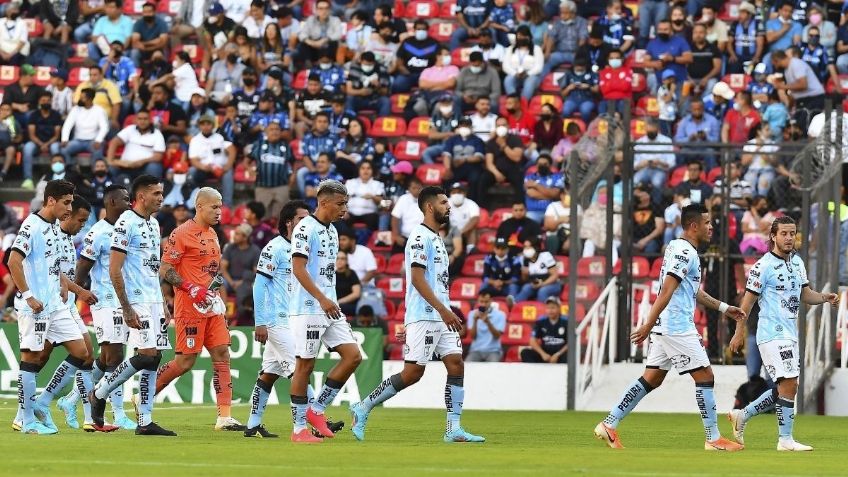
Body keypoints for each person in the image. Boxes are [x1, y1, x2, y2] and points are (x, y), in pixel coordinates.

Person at [594, 204, 746, 451]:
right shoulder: (685, 252)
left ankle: (609, 424)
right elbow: (667, 290)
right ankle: (713, 438)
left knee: (651, 378)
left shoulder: (678, 247)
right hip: (676, 326)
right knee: (705, 376)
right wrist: (647, 324)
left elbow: (692, 290)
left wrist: (723, 308)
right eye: (707, 223)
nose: (711, 227)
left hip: (667, 326)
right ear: (693, 225)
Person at [349, 186, 485, 443]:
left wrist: (447, 309)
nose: (449, 206)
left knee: (456, 363)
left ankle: (453, 428)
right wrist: (445, 311)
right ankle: (363, 406)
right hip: (425, 314)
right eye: (444, 202)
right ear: (430, 207)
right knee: (413, 373)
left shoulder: (437, 238)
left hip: (442, 314)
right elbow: (418, 280)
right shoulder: (420, 237)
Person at [728, 216, 840, 451]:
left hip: (789, 333)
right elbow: (745, 305)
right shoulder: (763, 266)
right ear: (773, 236)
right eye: (784, 234)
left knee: (788, 386)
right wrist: (739, 333)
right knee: (789, 384)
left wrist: (824, 298)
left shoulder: (797, 262)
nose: (789, 238)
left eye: (792, 234)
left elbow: (805, 294)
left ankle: (743, 415)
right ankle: (785, 440)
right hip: (770, 332)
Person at [245, 200, 344, 438]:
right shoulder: (274, 247)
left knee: (269, 372)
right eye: (301, 218)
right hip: (277, 320)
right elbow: (259, 285)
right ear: (289, 222)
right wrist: (260, 321)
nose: (306, 222)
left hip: (294, 317)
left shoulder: (307, 246)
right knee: (299, 370)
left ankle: (252, 424)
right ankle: (317, 420)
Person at [89, 175, 176, 436]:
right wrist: (126, 307)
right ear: (141, 197)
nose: (161, 198)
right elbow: (115, 270)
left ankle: (145, 421)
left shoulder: (154, 224)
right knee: (146, 354)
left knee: (154, 358)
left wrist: (163, 301)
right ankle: (99, 392)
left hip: (153, 300)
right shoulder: (126, 223)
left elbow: (153, 268)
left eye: (162, 193)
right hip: (135, 301)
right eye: (156, 193)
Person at [153, 188, 245, 431]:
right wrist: (191, 288)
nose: (219, 211)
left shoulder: (214, 233)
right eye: (214, 207)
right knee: (185, 362)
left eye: (220, 206)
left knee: (222, 354)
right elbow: (165, 269)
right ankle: (145, 396)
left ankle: (224, 417)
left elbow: (209, 269)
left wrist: (213, 287)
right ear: (200, 206)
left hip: (211, 305)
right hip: (189, 307)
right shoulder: (181, 233)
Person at [7, 180, 92, 435]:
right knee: (31, 358)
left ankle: (44, 402)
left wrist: (64, 284)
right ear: (51, 201)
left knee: (81, 352)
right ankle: (27, 420)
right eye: (66, 202)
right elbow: (13, 261)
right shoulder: (31, 226)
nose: (69, 208)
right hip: (35, 306)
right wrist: (29, 295)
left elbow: (52, 265)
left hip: (55, 304)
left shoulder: (55, 227)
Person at [288, 180, 362, 442]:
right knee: (304, 366)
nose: (345, 209)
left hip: (329, 306)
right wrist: (321, 299)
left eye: (346, 203)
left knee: (353, 356)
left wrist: (329, 300)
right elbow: (299, 269)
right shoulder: (305, 228)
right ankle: (298, 430)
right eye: (341, 203)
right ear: (323, 202)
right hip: (308, 307)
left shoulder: (331, 231)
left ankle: (316, 409)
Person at [60, 185, 135, 430]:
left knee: (105, 359)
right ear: (112, 202)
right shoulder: (99, 232)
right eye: (125, 199)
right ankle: (118, 413)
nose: (130, 202)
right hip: (104, 301)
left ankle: (71, 400)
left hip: (124, 300)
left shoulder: (128, 228)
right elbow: (83, 267)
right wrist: (74, 297)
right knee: (117, 357)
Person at [45, 195, 102, 432]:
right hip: (50, 304)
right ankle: (31, 406)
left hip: (66, 304)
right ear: (67, 215)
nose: (82, 225)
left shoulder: (69, 238)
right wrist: (81, 290)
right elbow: (53, 272)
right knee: (37, 359)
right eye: (80, 220)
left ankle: (86, 415)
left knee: (87, 354)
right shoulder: (53, 236)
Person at [106, 109, 166, 186]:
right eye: (140, 119)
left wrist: (140, 162)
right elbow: (114, 142)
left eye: (145, 119)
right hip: (125, 166)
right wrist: (110, 160)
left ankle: (151, 190)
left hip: (144, 167)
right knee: (111, 167)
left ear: (150, 120)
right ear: (135, 120)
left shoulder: (157, 134)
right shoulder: (130, 129)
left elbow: (158, 156)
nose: (142, 121)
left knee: (154, 167)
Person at [250, 120, 294, 221]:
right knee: (262, 217)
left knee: (283, 217)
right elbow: (247, 160)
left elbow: (293, 162)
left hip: (282, 186)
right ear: (266, 132)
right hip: (262, 187)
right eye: (271, 129)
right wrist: (250, 171)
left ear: (280, 132)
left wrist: (293, 174)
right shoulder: (258, 145)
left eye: (277, 129)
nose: (274, 132)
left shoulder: (286, 146)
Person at [188, 115, 237, 207]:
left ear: (213, 125)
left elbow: (232, 149)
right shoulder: (195, 140)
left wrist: (228, 165)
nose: (206, 126)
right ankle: (192, 202)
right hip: (203, 169)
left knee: (228, 172)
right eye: (203, 124)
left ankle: (227, 205)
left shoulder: (220, 137)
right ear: (199, 126)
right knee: (191, 171)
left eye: (208, 124)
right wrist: (204, 167)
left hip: (220, 168)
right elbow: (193, 160)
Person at [478, 116, 526, 205]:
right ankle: (482, 207)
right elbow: (489, 163)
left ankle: (520, 207)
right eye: (498, 126)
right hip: (496, 170)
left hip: (513, 168)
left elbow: (516, 158)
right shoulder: (491, 142)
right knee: (483, 179)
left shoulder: (515, 139)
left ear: (508, 126)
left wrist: (504, 146)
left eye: (503, 125)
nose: (501, 128)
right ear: (495, 128)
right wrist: (497, 174)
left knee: (519, 179)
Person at [21, 92, 61, 188]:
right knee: (27, 148)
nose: (46, 102)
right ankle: (28, 179)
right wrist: (41, 144)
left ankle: (58, 178)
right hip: (36, 142)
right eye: (43, 100)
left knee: (56, 148)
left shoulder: (56, 115)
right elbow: (31, 135)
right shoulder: (34, 115)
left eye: (48, 100)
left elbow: (56, 135)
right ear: (39, 101)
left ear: (51, 101)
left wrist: (46, 144)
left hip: (51, 142)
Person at [540, 1, 588, 79]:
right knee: (546, 62)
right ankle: (539, 84)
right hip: (560, 53)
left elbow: (582, 38)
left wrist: (579, 53)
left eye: (565, 13)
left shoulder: (582, 22)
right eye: (561, 13)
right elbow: (551, 37)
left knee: (582, 63)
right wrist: (547, 52)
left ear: (573, 13)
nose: (562, 16)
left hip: (574, 53)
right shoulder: (558, 22)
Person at [60, 88, 108, 166]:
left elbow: (104, 127)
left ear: (90, 99)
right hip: (77, 141)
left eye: (82, 98)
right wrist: (64, 139)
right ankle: (70, 172)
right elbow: (67, 125)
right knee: (63, 150)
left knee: (97, 150)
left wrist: (98, 140)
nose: (80, 99)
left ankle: (94, 174)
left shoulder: (99, 110)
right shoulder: (75, 109)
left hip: (93, 141)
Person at [221, 224, 261, 312]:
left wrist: (242, 281)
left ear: (245, 237)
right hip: (229, 280)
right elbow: (223, 267)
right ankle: (222, 313)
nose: (234, 236)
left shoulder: (255, 251)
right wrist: (231, 282)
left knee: (249, 287)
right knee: (220, 283)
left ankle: (243, 315)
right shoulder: (230, 248)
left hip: (246, 281)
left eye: (237, 234)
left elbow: (256, 272)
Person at [521, 296, 568, 363]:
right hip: (546, 353)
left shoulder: (566, 321)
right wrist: (543, 354)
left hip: (560, 353)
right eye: (548, 308)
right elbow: (532, 341)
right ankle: (535, 372)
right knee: (525, 352)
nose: (550, 310)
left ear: (559, 308)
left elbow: (571, 342)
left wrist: (558, 354)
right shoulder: (541, 321)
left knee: (570, 355)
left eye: (553, 308)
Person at [503, 25, 544, 101]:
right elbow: (505, 66)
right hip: (515, 74)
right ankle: (514, 101)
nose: (521, 38)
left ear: (529, 37)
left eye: (524, 36)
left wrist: (527, 74)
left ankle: (523, 103)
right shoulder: (510, 49)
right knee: (508, 80)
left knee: (530, 82)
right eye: (519, 36)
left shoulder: (536, 49)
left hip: (531, 75)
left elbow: (539, 67)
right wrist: (515, 73)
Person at [514, 237, 561, 302]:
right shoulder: (523, 259)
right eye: (525, 247)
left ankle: (542, 310)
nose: (526, 249)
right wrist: (524, 273)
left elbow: (555, 275)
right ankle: (514, 304)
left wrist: (542, 284)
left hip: (551, 284)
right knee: (526, 288)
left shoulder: (545, 255)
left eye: (529, 247)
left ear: (535, 247)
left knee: (542, 291)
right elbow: (525, 280)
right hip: (535, 284)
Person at [466, 291, 506, 362]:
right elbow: (472, 336)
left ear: (491, 301)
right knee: (468, 367)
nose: (483, 304)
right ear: (478, 301)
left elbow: (497, 336)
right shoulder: (472, 314)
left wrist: (488, 322)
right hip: (476, 350)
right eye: (481, 301)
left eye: (486, 302)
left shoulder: (500, 315)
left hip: (493, 351)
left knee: (494, 368)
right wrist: (475, 321)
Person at [345, 161, 384, 232]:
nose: (365, 171)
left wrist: (372, 197)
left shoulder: (378, 184)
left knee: (373, 219)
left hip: (369, 213)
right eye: (363, 168)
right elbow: (342, 199)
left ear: (372, 171)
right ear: (359, 170)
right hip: (351, 212)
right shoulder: (350, 182)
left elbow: (381, 201)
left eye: (368, 168)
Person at [727, 2, 764, 74]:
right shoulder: (735, 24)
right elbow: (729, 42)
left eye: (742, 13)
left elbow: (760, 44)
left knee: (755, 74)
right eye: (739, 13)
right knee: (733, 74)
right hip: (737, 57)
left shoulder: (757, 24)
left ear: (749, 14)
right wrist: (732, 54)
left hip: (752, 56)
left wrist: (756, 57)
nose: (739, 15)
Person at [524, 154, 562, 223]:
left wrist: (536, 185)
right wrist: (551, 196)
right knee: (528, 224)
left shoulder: (557, 177)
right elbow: (532, 194)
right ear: (536, 165)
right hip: (533, 211)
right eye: (539, 164)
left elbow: (555, 194)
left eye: (545, 164)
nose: (542, 166)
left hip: (552, 211)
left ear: (550, 165)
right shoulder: (529, 178)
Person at [335, 250, 362, 317]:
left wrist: (339, 302)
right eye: (337, 258)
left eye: (342, 259)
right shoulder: (332, 274)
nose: (339, 261)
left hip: (350, 305)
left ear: (346, 261)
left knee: (338, 308)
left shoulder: (351, 274)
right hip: (335, 305)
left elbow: (356, 294)